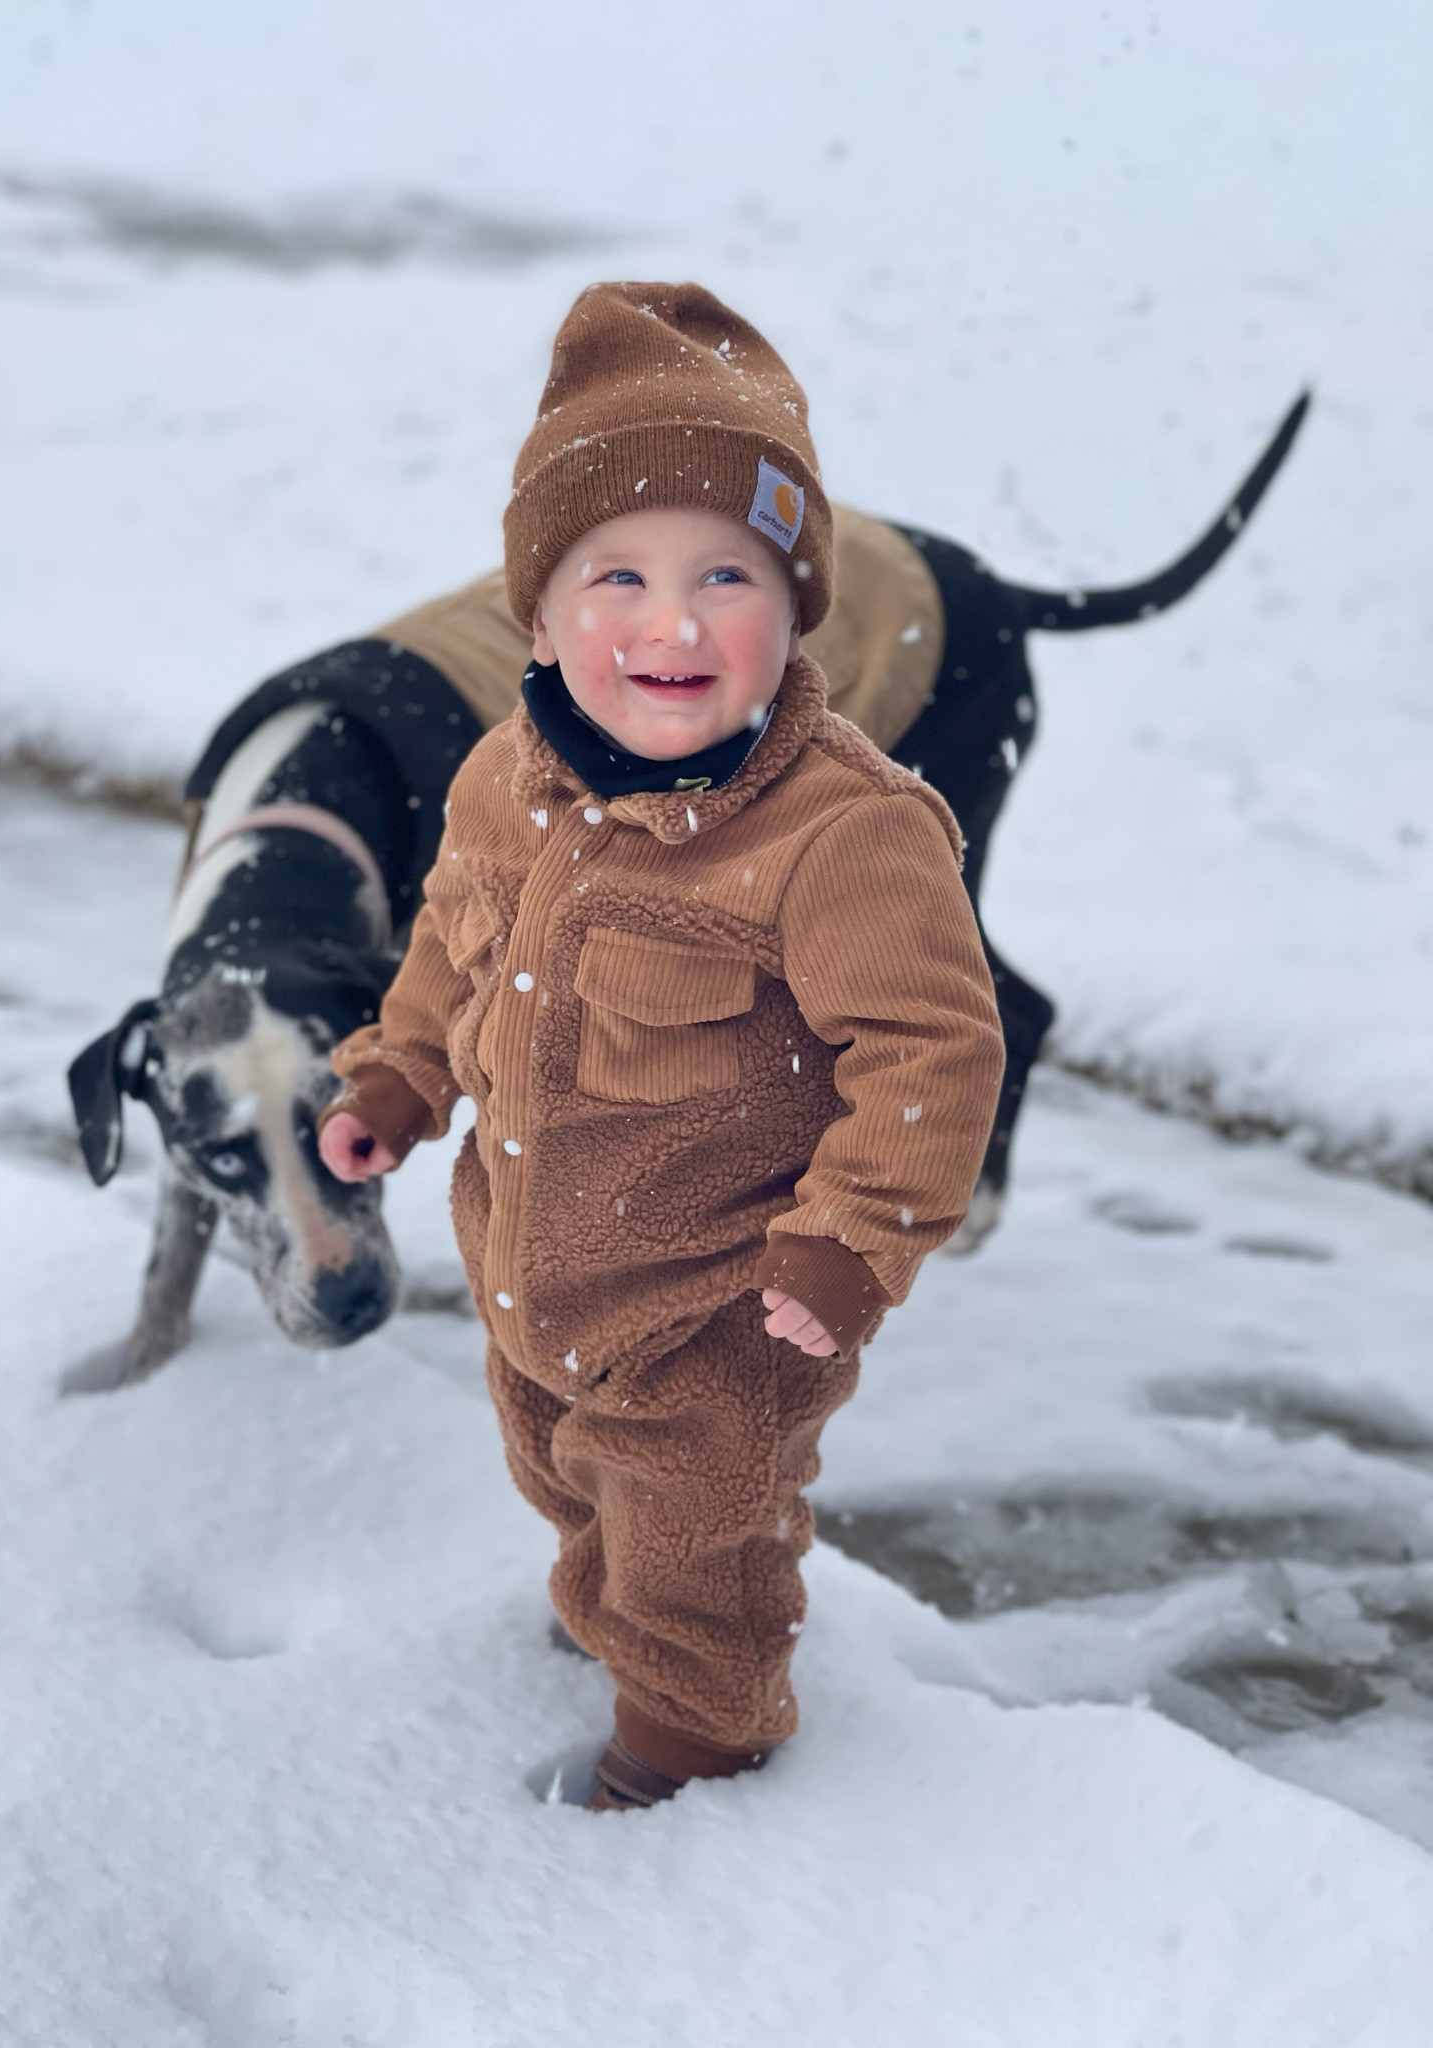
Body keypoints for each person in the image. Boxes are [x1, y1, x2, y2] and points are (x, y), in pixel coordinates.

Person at [319, 281, 1004, 1811]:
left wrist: (850, 1245)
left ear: (796, 603)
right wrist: (404, 1072)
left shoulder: (842, 834)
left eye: (730, 577)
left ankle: (696, 1755)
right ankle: (609, 1619)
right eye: (615, 575)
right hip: (530, 1278)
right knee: (569, 1486)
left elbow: (931, 1055)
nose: (672, 624)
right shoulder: (507, 777)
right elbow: (452, 938)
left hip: (721, 1310)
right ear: (544, 612)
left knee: (698, 1538)